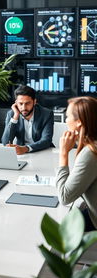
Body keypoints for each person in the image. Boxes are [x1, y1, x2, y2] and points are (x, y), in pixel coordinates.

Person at [56, 96, 97, 232]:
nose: (66, 120)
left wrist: (63, 153)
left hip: (95, 219)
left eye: (67, 116)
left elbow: (65, 197)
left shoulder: (91, 153)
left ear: (79, 122)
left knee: (60, 227)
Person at [1, 85, 54, 154]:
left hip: (43, 151)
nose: (24, 108)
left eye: (27, 103)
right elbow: (5, 142)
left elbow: (46, 140)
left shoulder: (46, 114)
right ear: (16, 103)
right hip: (22, 153)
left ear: (34, 102)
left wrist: (26, 148)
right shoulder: (12, 114)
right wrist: (15, 116)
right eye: (20, 104)